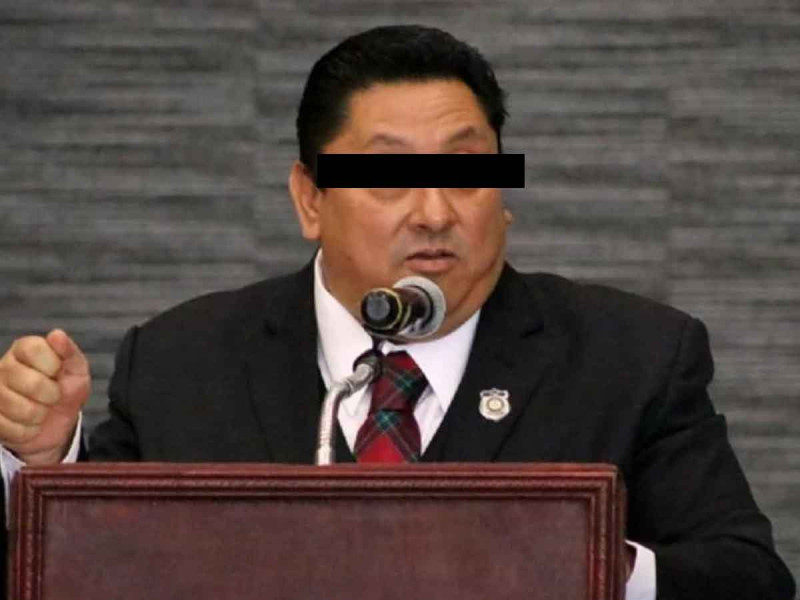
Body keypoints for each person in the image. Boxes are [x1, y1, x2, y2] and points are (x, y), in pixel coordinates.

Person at [0, 25, 794, 600]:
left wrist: (587, 560)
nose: (435, 212)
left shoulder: (631, 356)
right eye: (389, 177)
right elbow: (93, 568)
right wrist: (44, 465)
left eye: (467, 173)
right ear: (310, 199)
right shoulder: (184, 360)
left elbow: (751, 580)